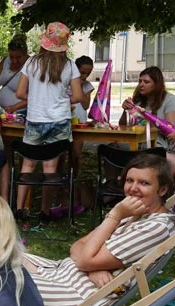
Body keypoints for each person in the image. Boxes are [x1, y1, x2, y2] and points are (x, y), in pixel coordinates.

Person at [21, 154, 175, 306]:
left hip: (79, 295)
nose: (133, 188)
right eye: (129, 180)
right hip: (62, 272)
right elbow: (78, 245)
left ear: (162, 189)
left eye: (144, 183)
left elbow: (84, 260)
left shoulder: (154, 228)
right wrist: (93, 267)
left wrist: (115, 216)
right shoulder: (134, 211)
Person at [14, 22, 86, 222]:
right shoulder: (70, 65)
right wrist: (62, 99)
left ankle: (19, 210)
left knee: (27, 165)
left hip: (35, 119)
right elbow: (79, 96)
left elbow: (20, 93)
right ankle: (45, 211)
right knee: (50, 168)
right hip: (60, 120)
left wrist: (37, 98)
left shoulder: (31, 63)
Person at [119, 67, 175, 149]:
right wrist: (126, 109)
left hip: (158, 144)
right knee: (111, 147)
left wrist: (147, 120)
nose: (141, 85)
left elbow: (172, 131)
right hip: (136, 142)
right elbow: (123, 126)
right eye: (140, 81)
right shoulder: (138, 101)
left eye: (146, 82)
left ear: (156, 85)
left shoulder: (170, 99)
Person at [69, 55, 96, 212]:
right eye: (82, 72)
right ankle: (64, 179)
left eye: (88, 73)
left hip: (80, 121)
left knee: (76, 153)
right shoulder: (68, 81)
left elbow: (85, 105)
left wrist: (81, 85)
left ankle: (75, 177)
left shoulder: (87, 86)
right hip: (67, 120)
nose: (84, 76)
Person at [0, 33, 31, 116]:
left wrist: (14, 107)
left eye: (18, 57)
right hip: (1, 111)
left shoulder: (32, 65)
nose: (14, 61)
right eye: (11, 57)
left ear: (25, 54)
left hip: (20, 113)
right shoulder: (5, 60)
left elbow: (35, 96)